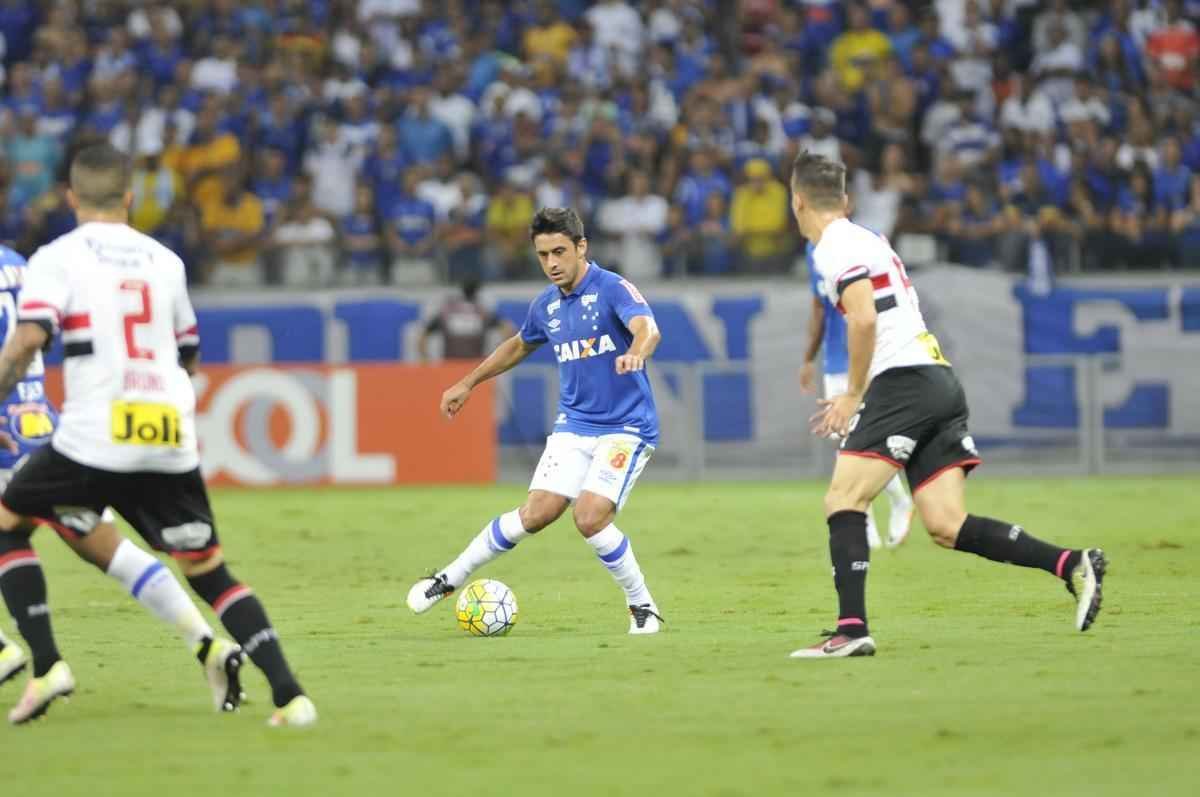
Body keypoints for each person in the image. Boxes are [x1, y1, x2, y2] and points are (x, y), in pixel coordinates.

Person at [0, 144, 315, 725]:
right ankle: (291, 696)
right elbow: (188, 353)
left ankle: (46, 665)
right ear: (129, 196)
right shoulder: (166, 261)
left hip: (95, 433)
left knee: (7, 522)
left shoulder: (56, 257)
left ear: (70, 198)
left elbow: (27, 341)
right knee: (208, 569)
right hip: (167, 429)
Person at [786, 151, 1106, 659]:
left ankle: (851, 630)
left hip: (903, 382)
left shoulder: (833, 246)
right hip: (937, 380)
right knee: (946, 523)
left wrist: (852, 393)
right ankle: (1071, 563)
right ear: (845, 200)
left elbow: (863, 319)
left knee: (843, 499)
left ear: (797, 201)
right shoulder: (866, 237)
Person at [0, 241, 243, 721]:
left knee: (12, 533)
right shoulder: (19, 264)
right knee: (107, 548)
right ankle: (208, 645)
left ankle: (19, 656)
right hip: (39, 423)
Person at [406, 208, 666, 634]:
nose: (552, 263)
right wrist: (468, 383)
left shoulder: (612, 288)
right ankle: (449, 578)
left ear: (582, 247)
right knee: (536, 513)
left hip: (626, 427)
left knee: (589, 517)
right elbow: (517, 345)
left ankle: (642, 606)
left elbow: (647, 328)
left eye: (560, 251)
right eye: (543, 255)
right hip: (573, 425)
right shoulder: (546, 305)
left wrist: (637, 352)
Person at [801, 241, 912, 551]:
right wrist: (809, 358)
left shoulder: (865, 240)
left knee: (863, 440)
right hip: (835, 360)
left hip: (866, 357)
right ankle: (868, 517)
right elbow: (819, 307)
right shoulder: (812, 250)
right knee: (847, 443)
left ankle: (897, 502)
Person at [417, 281, 515, 361]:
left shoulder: (447, 312)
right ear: (477, 293)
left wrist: (426, 358)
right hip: (475, 366)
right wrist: (498, 357)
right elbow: (508, 330)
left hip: (450, 364)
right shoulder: (483, 313)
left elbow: (423, 335)